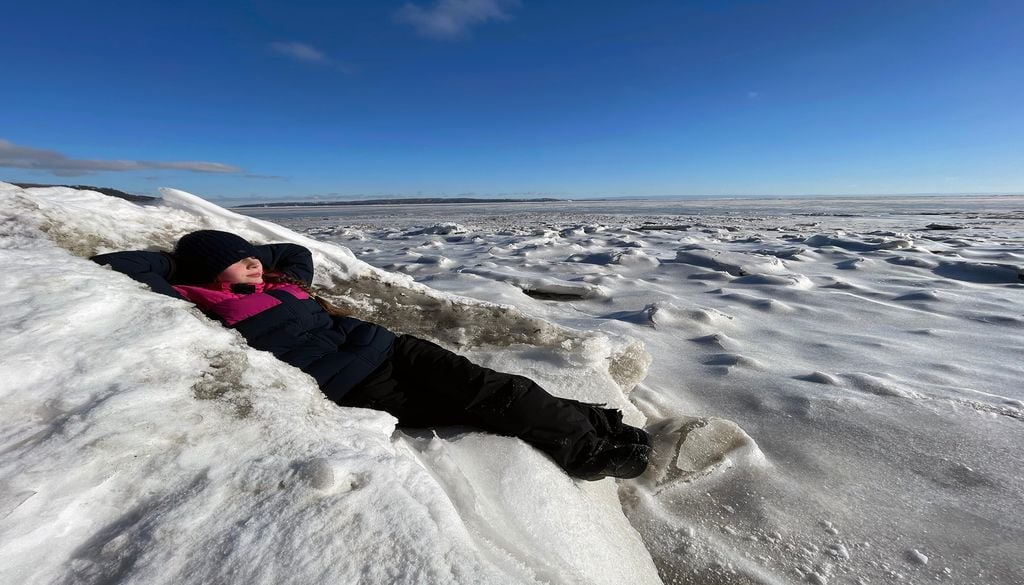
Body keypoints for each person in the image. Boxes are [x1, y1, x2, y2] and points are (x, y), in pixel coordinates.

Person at [92, 230, 651, 480]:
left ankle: (593, 435)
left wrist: (244, 256)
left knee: (503, 389)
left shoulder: (283, 283)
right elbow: (117, 266)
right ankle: (594, 443)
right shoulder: (203, 303)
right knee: (484, 408)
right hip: (359, 385)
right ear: (206, 276)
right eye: (240, 264)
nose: (255, 266)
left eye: (251, 259)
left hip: (391, 349)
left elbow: (293, 250)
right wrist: (184, 265)